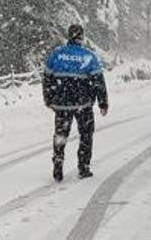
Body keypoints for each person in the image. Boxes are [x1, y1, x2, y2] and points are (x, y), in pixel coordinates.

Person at [41, 24, 109, 181]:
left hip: (61, 104)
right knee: (86, 135)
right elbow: (98, 81)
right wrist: (103, 102)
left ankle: (58, 161)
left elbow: (47, 78)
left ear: (69, 36)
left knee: (61, 134)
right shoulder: (88, 56)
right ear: (81, 37)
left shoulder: (56, 54)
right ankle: (83, 167)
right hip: (83, 104)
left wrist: (48, 98)